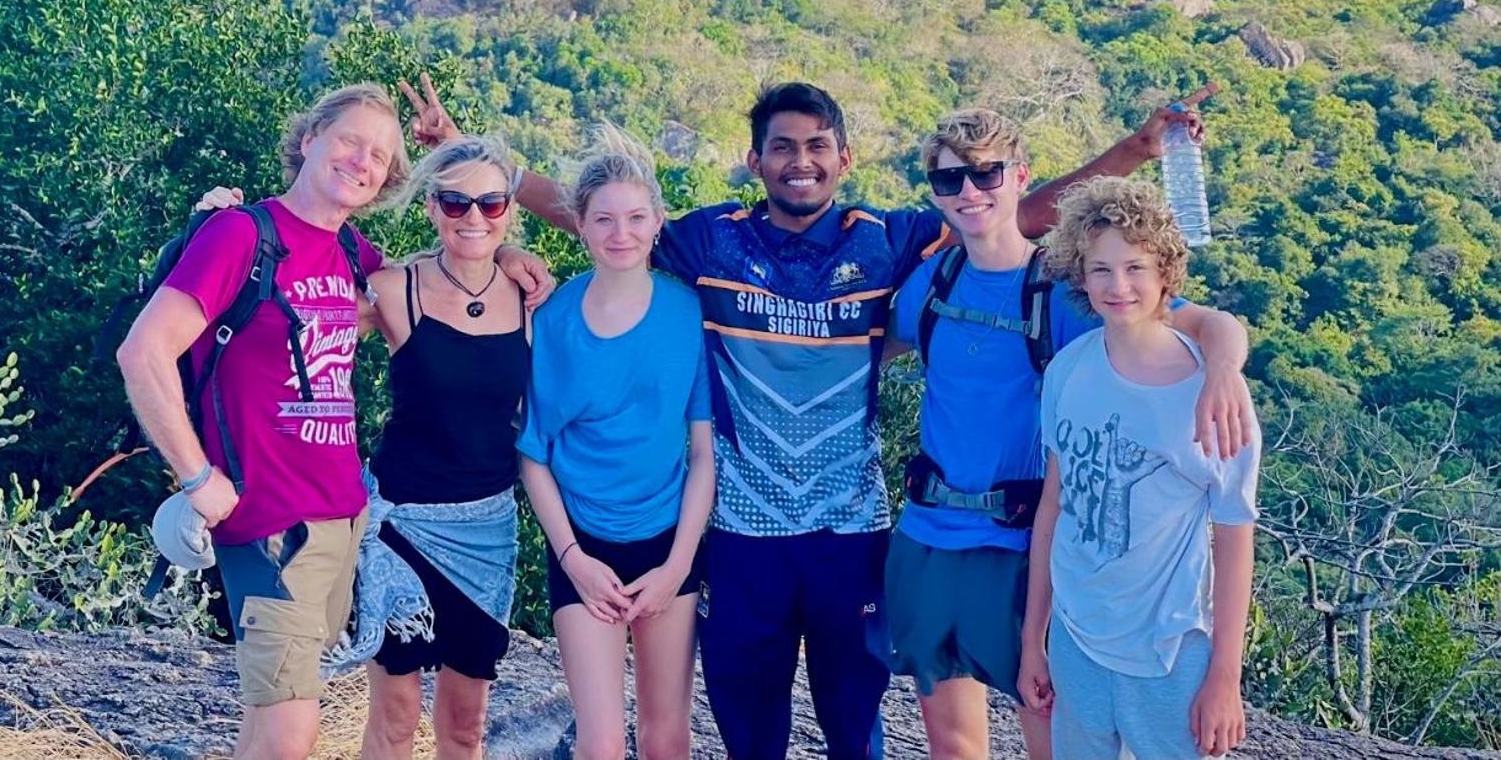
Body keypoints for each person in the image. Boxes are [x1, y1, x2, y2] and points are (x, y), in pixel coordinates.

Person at [404, 75, 1250, 760]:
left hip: (852, 531)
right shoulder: (708, 240)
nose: (799, 161)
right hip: (741, 535)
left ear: (843, 156)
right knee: (749, 726)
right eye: (782, 147)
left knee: (855, 726)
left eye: (816, 146)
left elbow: (1019, 215)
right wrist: (474, 169)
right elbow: (596, 213)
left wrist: (1137, 152)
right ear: (755, 160)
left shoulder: (885, 238)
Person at [117, 85, 550, 760]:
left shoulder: (352, 253)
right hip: (268, 522)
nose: (363, 160)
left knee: (271, 727)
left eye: (379, 154)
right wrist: (198, 476)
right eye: (351, 139)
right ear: (310, 136)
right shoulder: (241, 234)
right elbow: (143, 351)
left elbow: (465, 231)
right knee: (292, 735)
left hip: (343, 521)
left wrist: (503, 252)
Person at [880, 110, 1252, 760]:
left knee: (1047, 730)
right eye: (950, 179)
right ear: (935, 191)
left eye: (987, 172)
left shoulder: (1066, 294)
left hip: (1026, 543)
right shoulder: (930, 282)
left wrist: (1222, 369)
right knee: (951, 741)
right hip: (929, 531)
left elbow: (1209, 322)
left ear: (1020, 177)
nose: (969, 191)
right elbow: (867, 348)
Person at [1018, 176, 1260, 760]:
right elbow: (1054, 508)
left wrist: (1225, 677)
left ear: (1165, 274)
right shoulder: (1068, 371)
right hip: (1077, 637)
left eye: (1135, 268)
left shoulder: (1213, 393)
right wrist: (1034, 640)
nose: (1118, 285)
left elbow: (1234, 536)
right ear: (1079, 272)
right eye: (1100, 269)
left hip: (1168, 650)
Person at [517, 128, 715, 760]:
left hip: (667, 545)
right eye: (603, 218)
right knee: (600, 743)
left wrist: (679, 565)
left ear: (658, 222)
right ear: (580, 224)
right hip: (583, 546)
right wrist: (572, 557)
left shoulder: (689, 314)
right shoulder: (552, 320)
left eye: (635, 217)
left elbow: (703, 452)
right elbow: (534, 454)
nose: (620, 233)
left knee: (667, 736)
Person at [345, 137, 532, 760]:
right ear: (431, 208)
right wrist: (223, 225)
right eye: (455, 203)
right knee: (395, 721)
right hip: (401, 527)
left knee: (465, 725)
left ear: (509, 208)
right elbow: (296, 311)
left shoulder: (535, 300)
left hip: (487, 532)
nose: (473, 217)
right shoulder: (395, 289)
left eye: (490, 202)